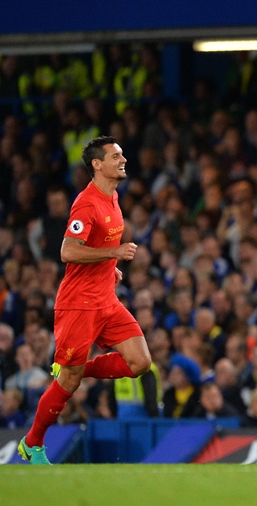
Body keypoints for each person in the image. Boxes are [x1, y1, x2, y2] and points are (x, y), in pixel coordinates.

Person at [18, 136, 152, 465]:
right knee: (68, 381)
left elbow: (92, 249)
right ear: (97, 164)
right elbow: (68, 250)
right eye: (116, 156)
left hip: (105, 299)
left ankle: (74, 369)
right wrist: (114, 253)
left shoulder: (113, 197)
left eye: (122, 154)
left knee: (140, 363)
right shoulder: (87, 203)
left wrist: (109, 267)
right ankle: (32, 443)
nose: (123, 160)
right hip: (78, 304)